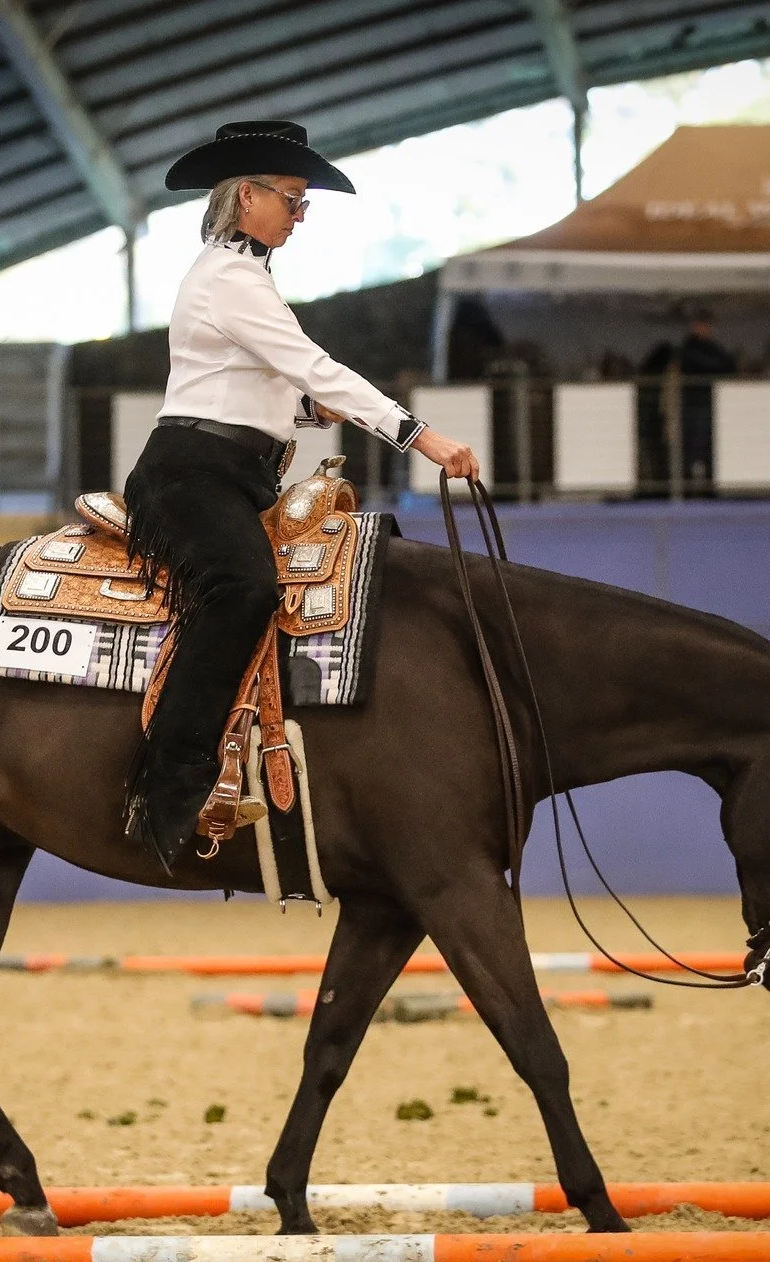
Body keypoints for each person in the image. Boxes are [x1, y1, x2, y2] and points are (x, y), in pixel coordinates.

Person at [123, 120, 479, 869]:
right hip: (192, 471)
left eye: (302, 202)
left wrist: (304, 410)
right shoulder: (229, 277)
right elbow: (315, 365)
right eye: (290, 198)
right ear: (244, 195)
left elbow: (255, 382)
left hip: (235, 467)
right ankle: (168, 788)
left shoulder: (242, 277)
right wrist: (424, 437)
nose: (299, 214)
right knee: (243, 588)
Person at [677, 308, 736, 486]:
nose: (706, 330)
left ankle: (707, 481)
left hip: (708, 401)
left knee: (708, 443)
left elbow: (727, 366)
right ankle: (691, 482)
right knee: (695, 443)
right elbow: (717, 365)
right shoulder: (689, 349)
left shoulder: (711, 348)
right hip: (695, 402)